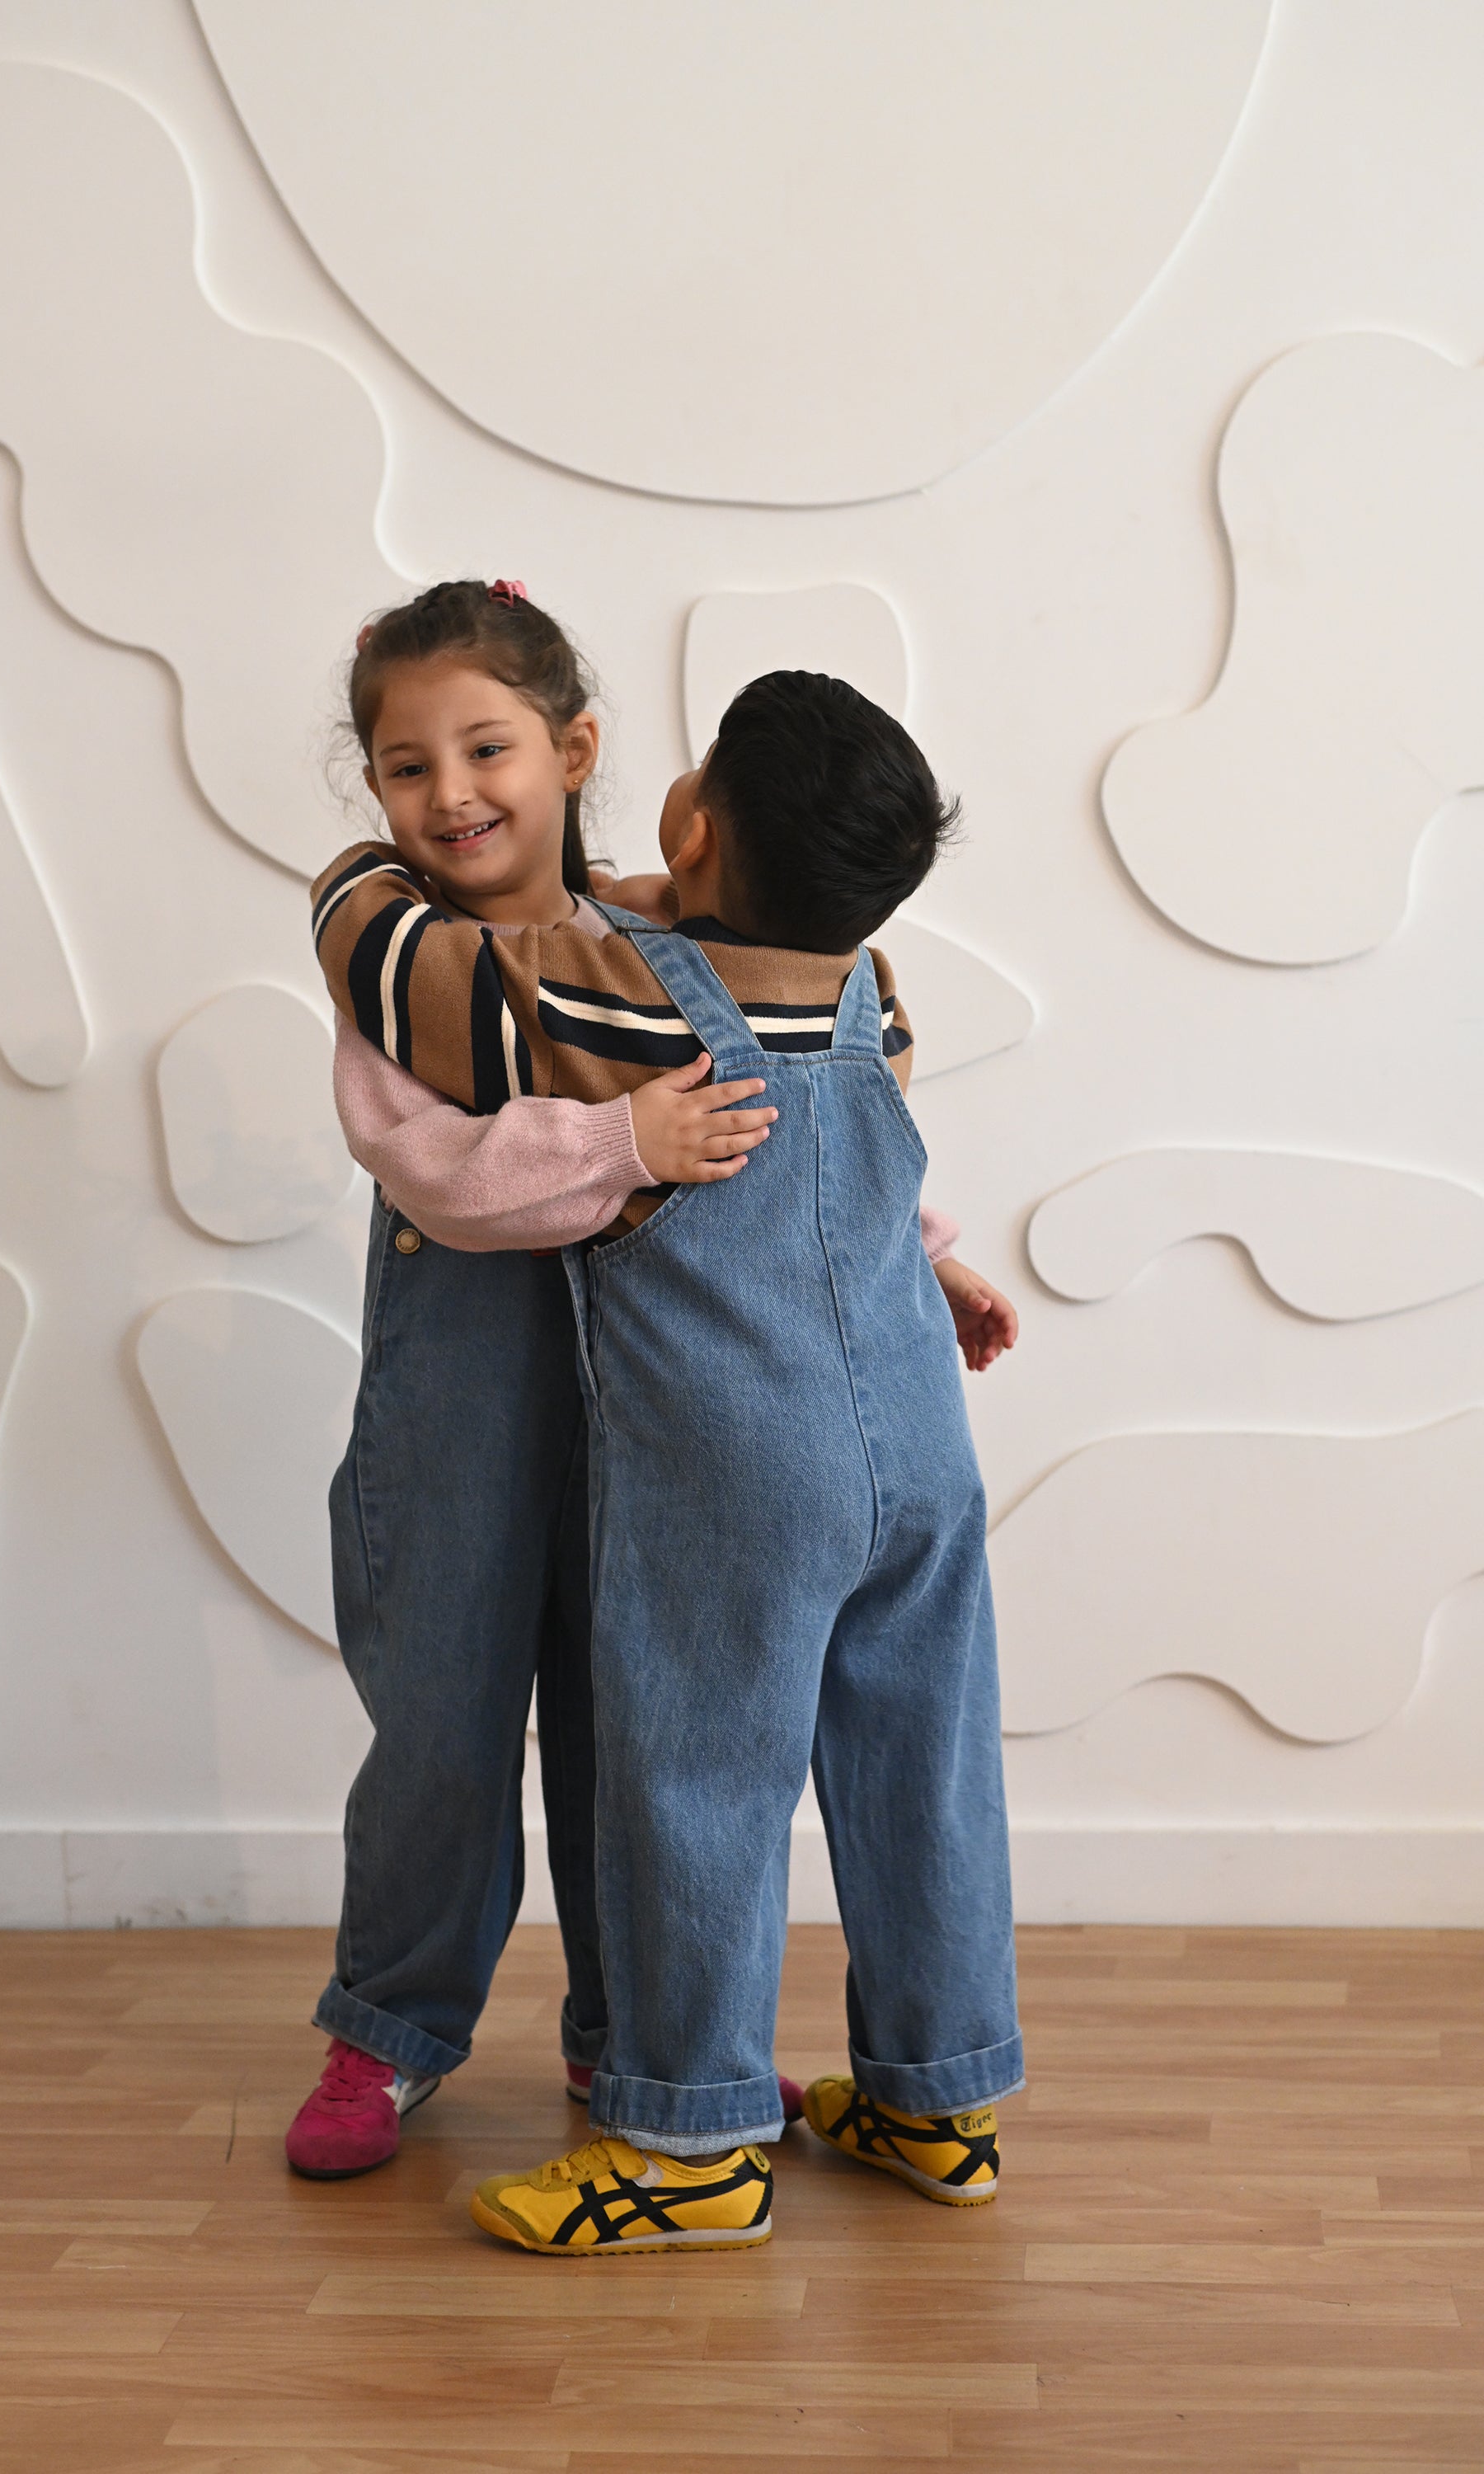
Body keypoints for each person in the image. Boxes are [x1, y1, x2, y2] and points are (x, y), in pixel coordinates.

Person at [289, 583, 1010, 2180]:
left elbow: (799, 1161)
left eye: (486, 749)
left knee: (642, 1725)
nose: (451, 793)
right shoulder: (416, 977)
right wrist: (625, 1142)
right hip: (473, 1385)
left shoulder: (655, 943)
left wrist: (924, 1265)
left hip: (685, 1405)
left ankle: (639, 2045)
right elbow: (437, 1181)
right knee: (443, 1712)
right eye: (405, 767)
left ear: (576, 753)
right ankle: (388, 2026)